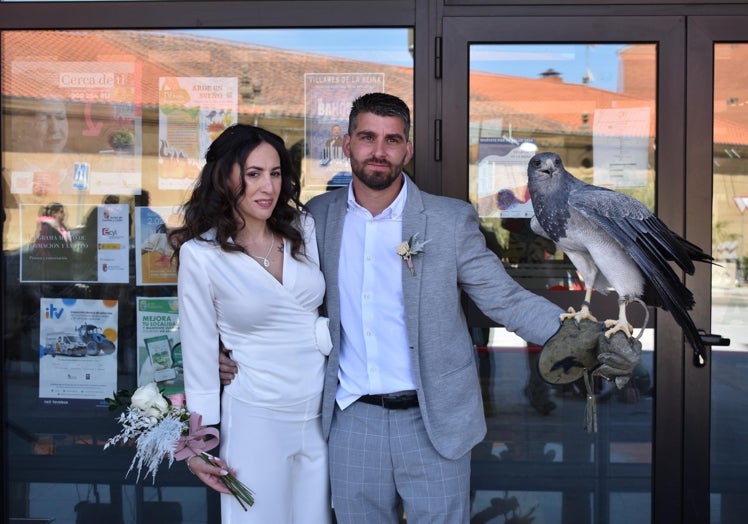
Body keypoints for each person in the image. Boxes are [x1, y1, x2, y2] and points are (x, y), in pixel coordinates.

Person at [220, 93, 624, 523]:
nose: (379, 151)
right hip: (350, 420)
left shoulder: (449, 220)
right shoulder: (317, 217)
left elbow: (503, 297)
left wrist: (581, 339)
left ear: (407, 149)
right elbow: (274, 293)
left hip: (434, 420)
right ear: (348, 145)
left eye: (392, 140)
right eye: (367, 137)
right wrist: (227, 352)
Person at [169, 124, 332, 524]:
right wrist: (199, 445)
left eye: (275, 173)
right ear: (225, 177)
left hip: (322, 416)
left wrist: (322, 335)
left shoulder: (304, 230)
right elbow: (199, 353)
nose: (268, 186)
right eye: (253, 173)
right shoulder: (201, 255)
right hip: (256, 417)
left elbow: (339, 311)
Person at [28, 202, 74, 281]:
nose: (64, 214)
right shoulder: (47, 227)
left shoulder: (62, 227)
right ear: (54, 214)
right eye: (61, 212)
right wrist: (51, 262)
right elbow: (41, 247)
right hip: (54, 270)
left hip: (64, 267)